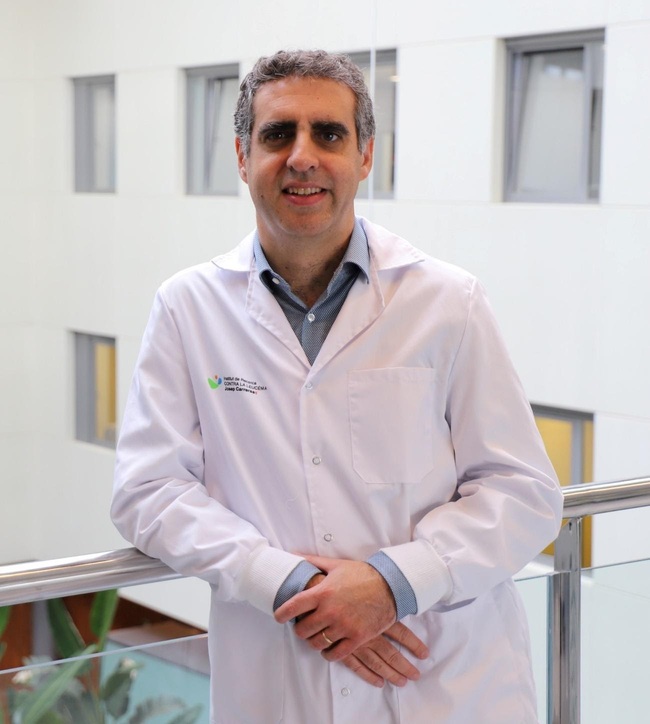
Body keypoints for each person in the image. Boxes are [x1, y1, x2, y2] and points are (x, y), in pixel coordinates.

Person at [111, 49, 563, 723]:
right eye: (277, 134)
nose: (303, 157)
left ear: (365, 155)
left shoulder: (448, 302)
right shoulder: (187, 307)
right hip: (280, 677)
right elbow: (147, 491)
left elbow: (522, 491)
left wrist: (393, 584)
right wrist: (283, 581)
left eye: (328, 134)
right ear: (242, 156)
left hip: (445, 681)